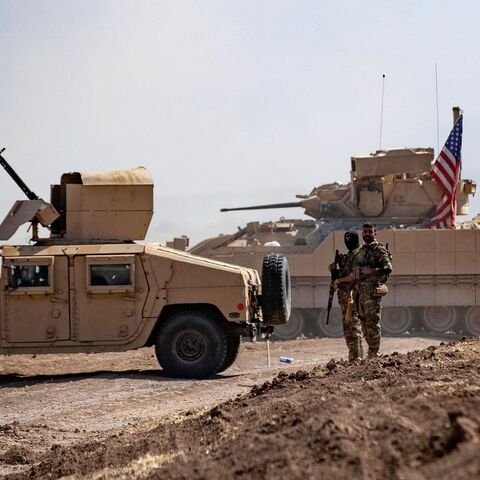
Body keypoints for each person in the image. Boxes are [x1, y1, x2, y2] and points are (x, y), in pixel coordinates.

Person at [352, 222, 392, 357]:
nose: (367, 234)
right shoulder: (361, 250)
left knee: (373, 324)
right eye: (365, 231)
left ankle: (373, 354)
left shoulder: (379, 249)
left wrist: (372, 270)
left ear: (375, 233)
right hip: (360, 293)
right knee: (363, 324)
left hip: (372, 292)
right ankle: (372, 350)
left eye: (370, 231)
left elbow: (388, 268)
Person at [331, 230, 364, 361]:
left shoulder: (358, 255)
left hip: (353, 295)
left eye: (349, 240)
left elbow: (354, 276)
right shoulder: (350, 255)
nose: (347, 242)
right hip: (346, 297)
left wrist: (339, 281)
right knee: (348, 327)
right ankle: (354, 356)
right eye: (346, 239)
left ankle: (357, 357)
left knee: (354, 327)